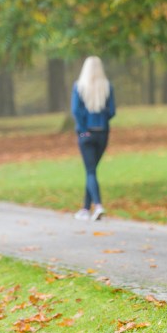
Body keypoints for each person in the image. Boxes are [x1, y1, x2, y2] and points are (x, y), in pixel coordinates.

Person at [71, 56, 116, 221]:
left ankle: (97, 205)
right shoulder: (107, 87)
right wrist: (101, 120)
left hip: (86, 134)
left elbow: (76, 110)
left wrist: (83, 130)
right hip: (102, 133)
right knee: (92, 171)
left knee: (90, 171)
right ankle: (85, 209)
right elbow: (112, 111)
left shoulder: (79, 86)